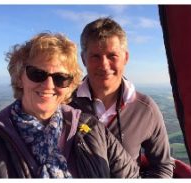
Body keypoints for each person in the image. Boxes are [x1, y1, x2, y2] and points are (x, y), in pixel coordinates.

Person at [0, 32, 137, 178]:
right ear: (20, 77)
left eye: (60, 78)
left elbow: (131, 176)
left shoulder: (92, 130)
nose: (48, 85)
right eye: (37, 74)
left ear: (70, 85)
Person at [66, 18, 172, 178]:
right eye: (95, 56)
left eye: (112, 55)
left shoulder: (145, 109)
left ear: (126, 57)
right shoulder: (65, 103)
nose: (104, 64)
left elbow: (162, 166)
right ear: (83, 59)